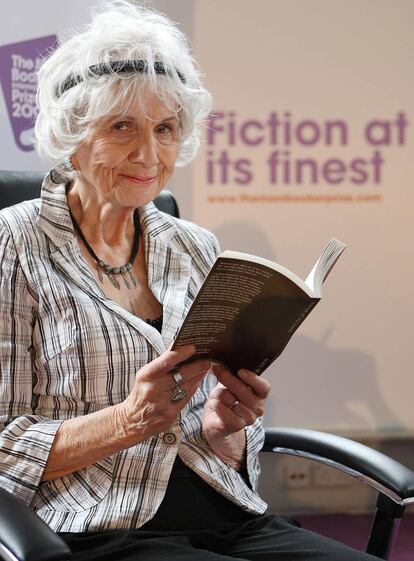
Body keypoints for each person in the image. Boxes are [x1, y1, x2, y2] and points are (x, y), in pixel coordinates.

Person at [0, 2, 378, 560]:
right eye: (122, 126)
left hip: (228, 515)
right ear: (73, 131)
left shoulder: (193, 246)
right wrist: (126, 422)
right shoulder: (15, 243)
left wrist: (225, 431)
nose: (149, 154)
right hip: (95, 527)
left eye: (166, 129)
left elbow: (215, 430)